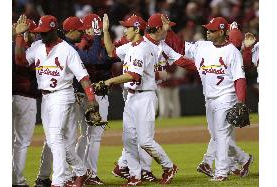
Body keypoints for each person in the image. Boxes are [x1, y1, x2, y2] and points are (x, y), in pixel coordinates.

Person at [15, 15, 98, 187]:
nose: (42, 35)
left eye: (45, 32)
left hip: (62, 95)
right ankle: (81, 171)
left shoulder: (67, 50)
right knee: (55, 141)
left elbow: (83, 77)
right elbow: (20, 61)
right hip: (45, 97)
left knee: (55, 136)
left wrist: (91, 99)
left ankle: (59, 181)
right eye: (40, 32)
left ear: (53, 30)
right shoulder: (38, 46)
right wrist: (19, 37)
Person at [102, 13, 178, 186]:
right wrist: (105, 31)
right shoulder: (131, 46)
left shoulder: (142, 48)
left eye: (127, 27)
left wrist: (109, 81)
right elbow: (111, 52)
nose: (124, 29)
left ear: (137, 28)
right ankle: (134, 176)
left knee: (145, 141)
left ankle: (168, 166)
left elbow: (133, 75)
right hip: (132, 97)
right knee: (129, 140)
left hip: (145, 96)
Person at [182, 17, 253, 181]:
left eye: (212, 30)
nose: (208, 31)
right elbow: (180, 48)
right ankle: (243, 159)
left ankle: (221, 171)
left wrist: (241, 101)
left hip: (226, 97)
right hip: (210, 98)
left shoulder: (232, 51)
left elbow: (240, 79)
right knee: (216, 137)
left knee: (221, 136)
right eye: (208, 28)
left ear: (222, 32)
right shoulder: (203, 46)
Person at [74, 13, 114, 185]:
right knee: (92, 136)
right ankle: (88, 173)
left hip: (90, 94)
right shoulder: (80, 45)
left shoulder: (89, 43)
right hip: (90, 94)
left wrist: (104, 34)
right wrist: (101, 35)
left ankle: (80, 173)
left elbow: (112, 55)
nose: (88, 30)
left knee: (86, 136)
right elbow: (99, 59)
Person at [13, 17, 40, 187]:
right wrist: (20, 37)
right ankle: (18, 181)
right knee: (22, 142)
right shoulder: (36, 50)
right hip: (25, 98)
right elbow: (22, 63)